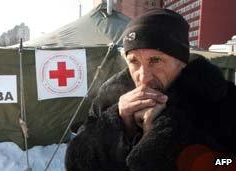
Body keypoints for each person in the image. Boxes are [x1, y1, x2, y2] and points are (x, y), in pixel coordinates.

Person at [65, 8, 236, 171]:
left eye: (155, 60)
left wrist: (164, 139)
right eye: (134, 61)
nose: (143, 77)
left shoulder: (222, 100)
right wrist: (121, 125)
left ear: (181, 61)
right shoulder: (109, 99)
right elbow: (77, 162)